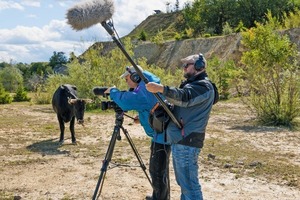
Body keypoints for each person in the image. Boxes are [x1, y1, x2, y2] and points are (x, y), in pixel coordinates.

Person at [146, 53, 215, 200]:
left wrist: (161, 89)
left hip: (187, 142)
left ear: (199, 66)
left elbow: (184, 97)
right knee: (185, 185)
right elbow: (184, 103)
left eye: (187, 65)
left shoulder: (203, 86)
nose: (184, 68)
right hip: (182, 140)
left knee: (190, 186)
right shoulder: (196, 85)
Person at [105, 65, 171, 200]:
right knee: (158, 170)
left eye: (127, 78)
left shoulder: (145, 89)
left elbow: (127, 101)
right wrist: (142, 118)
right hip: (159, 133)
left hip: (162, 136)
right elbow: (148, 106)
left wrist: (113, 91)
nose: (126, 81)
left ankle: (161, 198)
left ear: (136, 77)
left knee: (158, 171)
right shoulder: (147, 86)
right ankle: (158, 196)